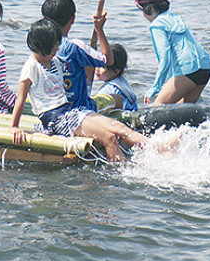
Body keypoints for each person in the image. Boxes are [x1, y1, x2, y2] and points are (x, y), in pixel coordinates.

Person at [10, 19, 148, 162]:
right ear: (43, 47)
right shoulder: (31, 67)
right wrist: (14, 126)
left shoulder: (55, 61)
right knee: (109, 138)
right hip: (55, 118)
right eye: (54, 47)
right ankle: (121, 174)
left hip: (72, 111)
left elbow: (97, 64)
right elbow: (20, 98)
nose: (57, 50)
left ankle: (157, 148)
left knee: (119, 128)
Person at [136, 0, 210, 105]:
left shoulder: (157, 25)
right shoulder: (175, 17)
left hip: (188, 70)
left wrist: (155, 87)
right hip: (205, 67)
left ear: (148, 8)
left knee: (157, 107)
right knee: (182, 111)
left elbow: (165, 58)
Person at [41, 0, 114, 112]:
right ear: (73, 19)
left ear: (44, 19)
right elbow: (108, 60)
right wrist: (99, 29)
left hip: (49, 108)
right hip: (78, 109)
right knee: (116, 99)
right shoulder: (75, 47)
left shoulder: (38, 43)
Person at [95, 43, 138, 111]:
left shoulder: (109, 89)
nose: (97, 69)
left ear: (116, 71)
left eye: (102, 67)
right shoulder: (122, 83)